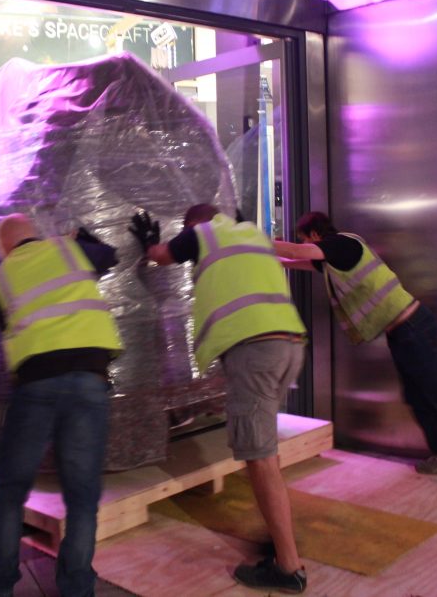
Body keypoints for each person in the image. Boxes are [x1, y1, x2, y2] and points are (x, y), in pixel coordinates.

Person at [130, 204, 309, 595]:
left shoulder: (202, 234)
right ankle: (279, 539)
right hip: (290, 345)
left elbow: (160, 257)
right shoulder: (253, 235)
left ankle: (288, 566)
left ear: (193, 223)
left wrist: (147, 242)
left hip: (253, 352)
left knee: (259, 458)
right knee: (267, 453)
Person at [273, 211, 437, 487]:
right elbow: (296, 260)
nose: (305, 245)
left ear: (315, 235)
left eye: (305, 238)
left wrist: (253, 242)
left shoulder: (340, 244)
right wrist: (270, 256)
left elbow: (296, 251)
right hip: (405, 331)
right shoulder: (335, 259)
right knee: (417, 397)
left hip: (412, 328)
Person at [0, 214, 123, 597]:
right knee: (82, 495)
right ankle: (76, 588)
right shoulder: (70, 250)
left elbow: (7, 327)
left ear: (3, 248)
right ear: (36, 234)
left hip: (36, 383)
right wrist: (78, 235)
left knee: (11, 488)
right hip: (89, 380)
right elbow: (110, 255)